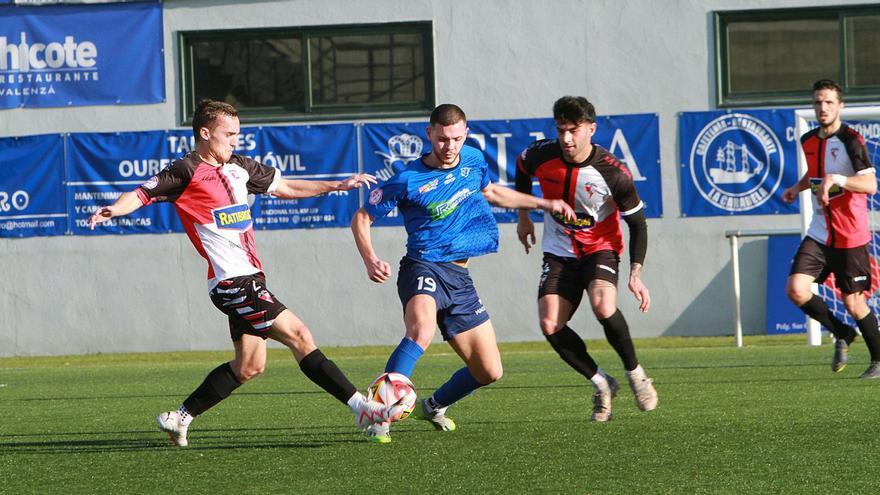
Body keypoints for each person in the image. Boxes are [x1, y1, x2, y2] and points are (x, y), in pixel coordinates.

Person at [87, 99, 404, 447]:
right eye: (229, 134)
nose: (235, 140)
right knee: (300, 335)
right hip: (231, 281)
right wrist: (113, 210)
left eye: (238, 134)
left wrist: (336, 185)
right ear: (205, 133)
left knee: (250, 365)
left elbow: (286, 187)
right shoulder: (185, 170)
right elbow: (142, 194)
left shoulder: (240, 167)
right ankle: (363, 409)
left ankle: (181, 417)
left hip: (250, 278)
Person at [351, 103, 575, 443]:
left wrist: (545, 204)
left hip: (460, 278)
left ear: (465, 134)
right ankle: (378, 416)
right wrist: (370, 259)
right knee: (421, 330)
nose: (449, 146)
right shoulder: (407, 179)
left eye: (456, 138)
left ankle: (435, 405)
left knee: (489, 370)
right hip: (423, 266)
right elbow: (362, 218)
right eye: (442, 139)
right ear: (429, 135)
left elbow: (493, 192)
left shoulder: (472, 159)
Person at [514, 95, 658, 423]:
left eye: (574, 130)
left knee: (603, 305)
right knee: (550, 323)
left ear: (591, 129)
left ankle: (636, 374)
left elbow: (637, 223)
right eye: (561, 130)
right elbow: (521, 169)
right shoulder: (540, 154)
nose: (566, 138)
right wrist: (524, 215)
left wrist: (636, 273)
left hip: (599, 250)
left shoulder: (614, 173)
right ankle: (601, 382)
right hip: (559, 253)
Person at [782, 79, 880, 379]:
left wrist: (838, 179)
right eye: (817, 102)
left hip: (850, 235)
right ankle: (843, 333)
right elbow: (814, 173)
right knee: (796, 289)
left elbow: (871, 184)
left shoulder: (852, 140)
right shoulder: (809, 140)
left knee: (853, 302)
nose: (822, 107)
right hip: (820, 232)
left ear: (840, 106)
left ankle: (878, 360)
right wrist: (797, 188)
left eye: (828, 102)